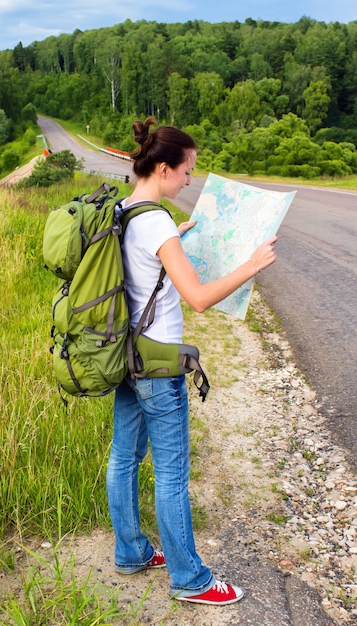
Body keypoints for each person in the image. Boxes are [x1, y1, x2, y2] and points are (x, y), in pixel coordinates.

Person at [106, 117, 277, 605]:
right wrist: (250, 266)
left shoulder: (125, 210)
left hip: (126, 355)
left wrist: (173, 235)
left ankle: (132, 552)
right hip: (159, 366)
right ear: (164, 167)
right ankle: (190, 579)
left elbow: (139, 269)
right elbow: (198, 298)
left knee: (123, 457)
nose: (189, 181)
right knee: (172, 474)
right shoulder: (155, 221)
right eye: (186, 171)